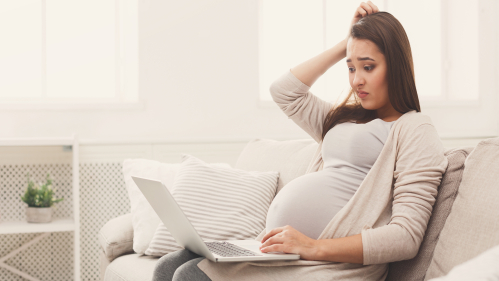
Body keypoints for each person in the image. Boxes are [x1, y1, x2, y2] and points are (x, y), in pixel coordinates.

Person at [153, 1, 448, 280]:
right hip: (284, 252)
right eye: (351, 68)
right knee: (169, 266)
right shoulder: (343, 118)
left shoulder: (415, 129)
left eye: (368, 67)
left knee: (187, 276)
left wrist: (310, 246)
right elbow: (285, 91)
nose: (356, 80)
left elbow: (406, 236)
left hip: (329, 264)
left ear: (395, 66)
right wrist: (345, 43)